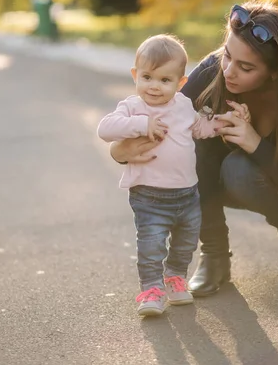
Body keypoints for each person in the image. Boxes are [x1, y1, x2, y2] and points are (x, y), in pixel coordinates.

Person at [110, 0, 278, 297]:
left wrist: (254, 143)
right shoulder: (212, 70)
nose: (228, 71)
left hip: (268, 182)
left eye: (246, 67)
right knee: (192, 144)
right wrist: (119, 154)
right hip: (211, 181)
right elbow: (160, 124)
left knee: (238, 170)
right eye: (227, 55)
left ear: (274, 72)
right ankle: (215, 257)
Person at [97, 34, 250, 316]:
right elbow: (105, 129)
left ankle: (175, 277)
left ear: (180, 83)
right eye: (147, 77)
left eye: (165, 80)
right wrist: (141, 124)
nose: (154, 87)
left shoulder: (182, 106)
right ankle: (151, 289)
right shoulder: (133, 108)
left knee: (186, 243)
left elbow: (200, 129)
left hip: (188, 195)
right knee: (152, 245)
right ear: (135, 75)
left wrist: (225, 122)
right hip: (148, 196)